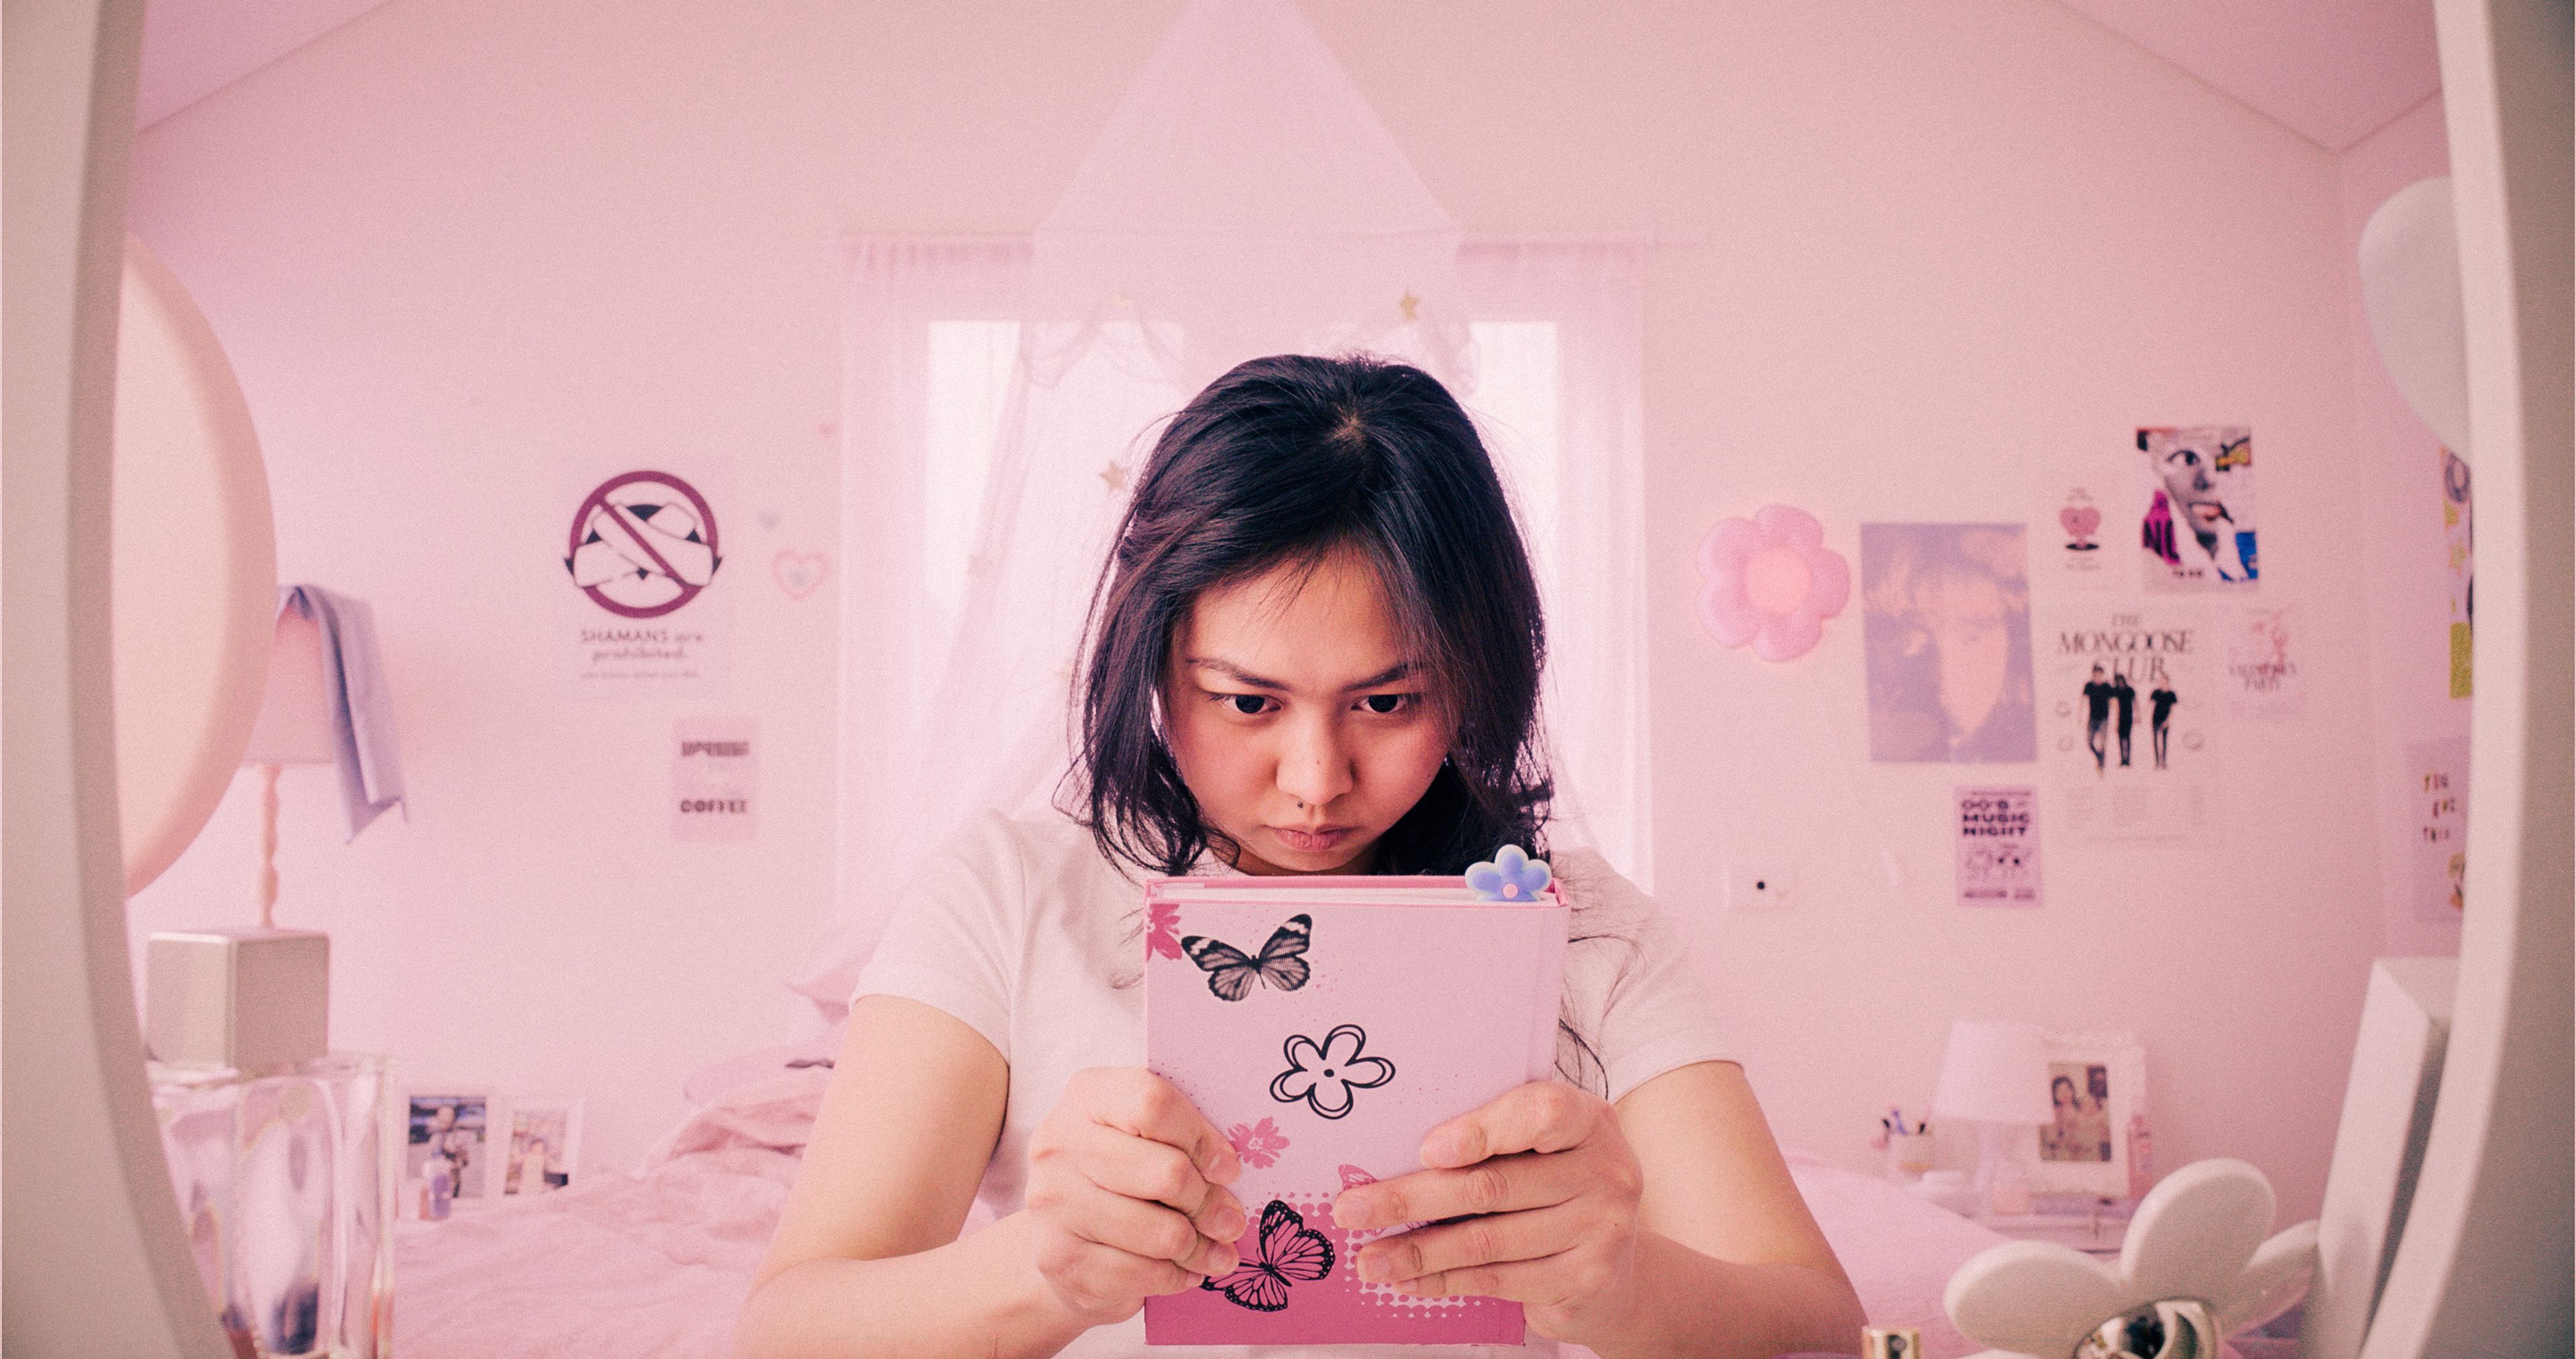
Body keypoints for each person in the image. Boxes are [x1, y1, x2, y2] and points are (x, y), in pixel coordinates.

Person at [737, 356, 1866, 1358]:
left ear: (1473, 675)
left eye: (1387, 699)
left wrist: (1616, 1289)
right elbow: (789, 1327)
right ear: (1151, 661)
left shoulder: (1584, 923)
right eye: (1246, 701)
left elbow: (1820, 1323)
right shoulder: (1005, 897)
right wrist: (1043, 1268)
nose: (1317, 778)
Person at [2082, 662, 2114, 773]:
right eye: (2097, 674)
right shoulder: (2089, 686)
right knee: (2089, 742)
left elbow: (2113, 702)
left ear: (2103, 675)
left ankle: (2101, 767)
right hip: (2092, 719)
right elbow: (2083, 700)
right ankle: (2099, 758)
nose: (2098, 676)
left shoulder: (2107, 687)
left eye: (2100, 674)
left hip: (2104, 719)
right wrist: (2080, 716)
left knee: (2102, 743)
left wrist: (2115, 718)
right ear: (2094, 675)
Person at [2148, 661, 2178, 770]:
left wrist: (2168, 720)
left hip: (2165, 719)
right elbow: (2149, 705)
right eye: (2160, 681)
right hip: (2155, 719)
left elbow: (2173, 709)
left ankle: (2164, 762)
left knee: (2164, 741)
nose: (2160, 682)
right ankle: (2157, 762)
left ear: (2167, 681)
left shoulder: (2171, 694)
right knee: (2155, 741)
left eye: (2162, 680)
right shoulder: (2156, 692)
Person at [2110, 666, 2137, 767]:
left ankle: (2128, 759)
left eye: (2121, 681)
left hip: (2128, 717)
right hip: (2119, 718)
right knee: (2121, 739)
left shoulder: (2130, 690)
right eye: (2118, 681)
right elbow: (2112, 704)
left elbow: (2135, 703)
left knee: (2128, 738)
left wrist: (2137, 715)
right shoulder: (2115, 691)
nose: (2120, 682)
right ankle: (2122, 760)